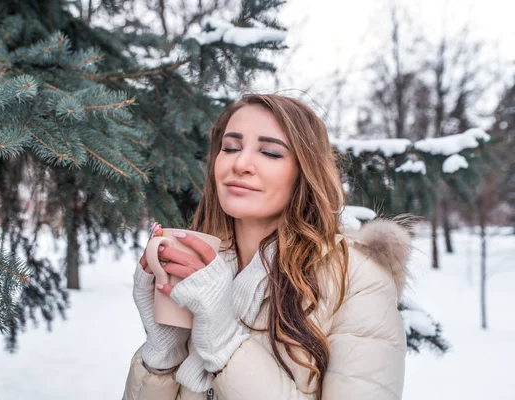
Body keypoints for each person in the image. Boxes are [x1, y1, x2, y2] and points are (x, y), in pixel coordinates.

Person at [123, 94, 411, 400]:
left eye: (270, 152)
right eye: (230, 148)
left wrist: (224, 343)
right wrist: (163, 353)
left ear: (305, 171)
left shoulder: (357, 278)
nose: (241, 163)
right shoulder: (202, 271)